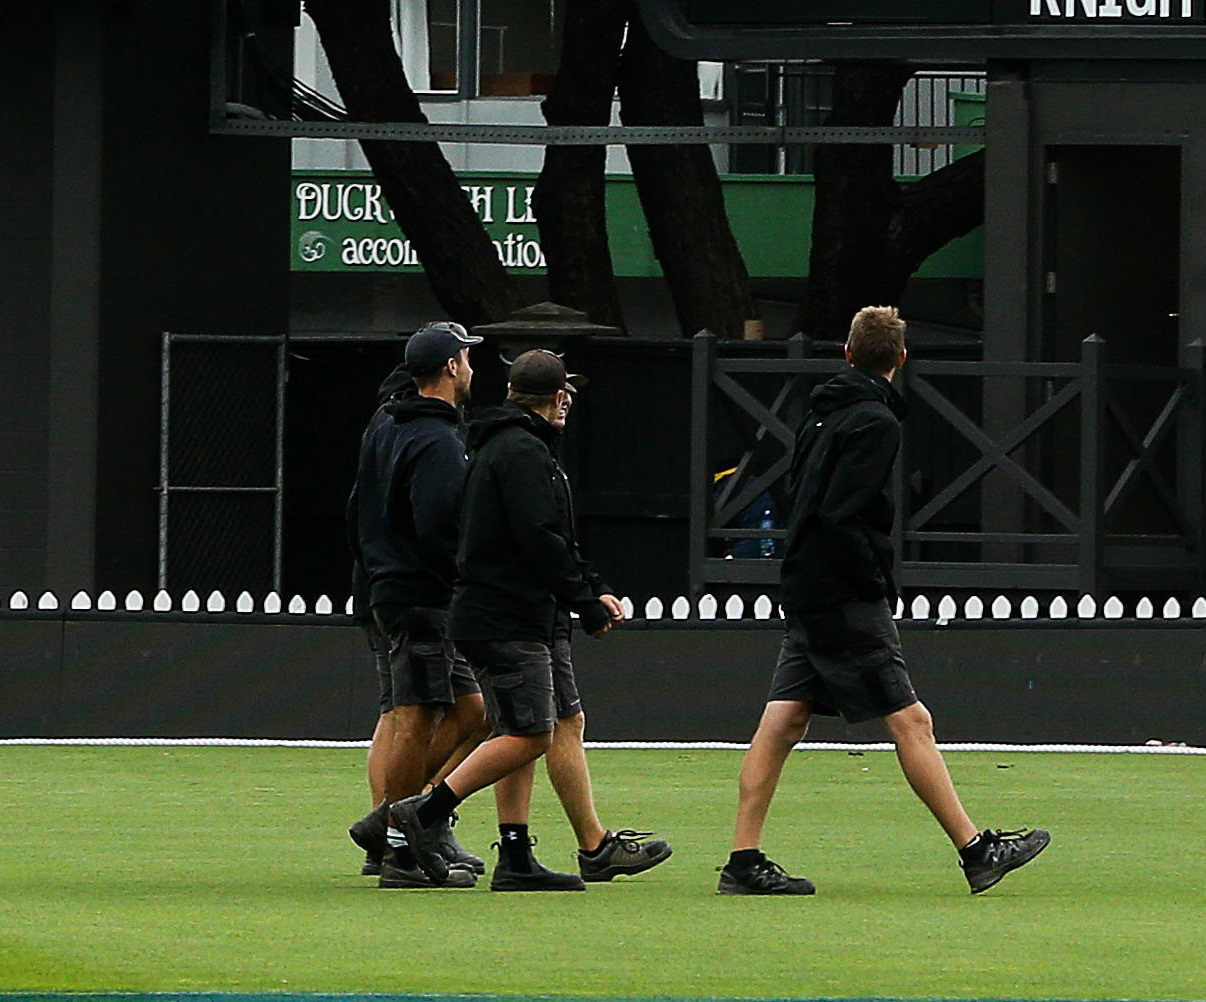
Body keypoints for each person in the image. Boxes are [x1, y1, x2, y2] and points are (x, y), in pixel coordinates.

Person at [718, 307, 1047, 897]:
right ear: (900, 358)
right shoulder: (876, 422)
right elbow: (845, 511)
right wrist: (873, 576)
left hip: (807, 584)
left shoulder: (821, 415)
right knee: (911, 719)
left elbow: (807, 501)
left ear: (847, 354)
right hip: (844, 592)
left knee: (784, 720)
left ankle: (744, 860)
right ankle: (976, 850)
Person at [351, 346, 672, 891]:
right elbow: (537, 538)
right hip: (505, 614)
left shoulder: (503, 444)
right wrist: (586, 601)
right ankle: (414, 817)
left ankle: (518, 852)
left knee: (520, 724)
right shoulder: (516, 450)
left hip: (512, 610)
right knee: (521, 731)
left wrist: (589, 588)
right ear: (558, 395)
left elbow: (551, 536)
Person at [345, 320, 489, 886]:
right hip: (421, 594)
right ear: (452, 367)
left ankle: (396, 825)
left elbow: (356, 508)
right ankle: (400, 844)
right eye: (468, 359)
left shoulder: (387, 424)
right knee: (415, 713)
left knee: (466, 710)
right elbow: (439, 525)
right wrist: (462, 580)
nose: (473, 368)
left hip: (389, 584)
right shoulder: (436, 438)